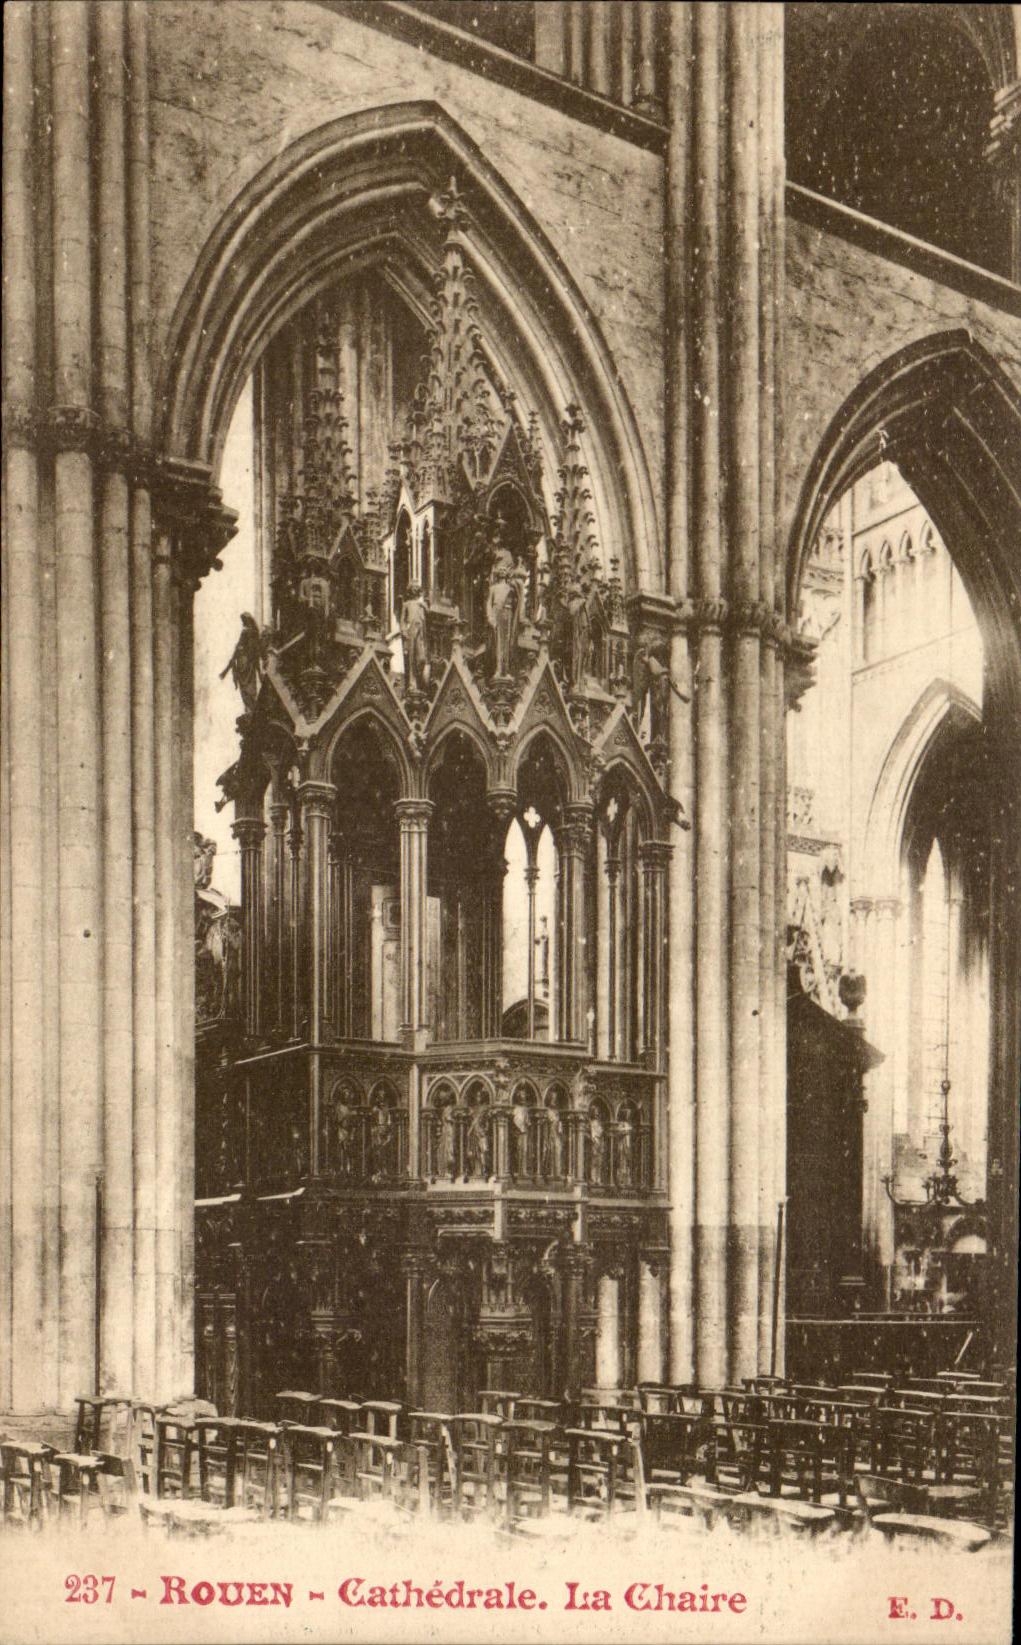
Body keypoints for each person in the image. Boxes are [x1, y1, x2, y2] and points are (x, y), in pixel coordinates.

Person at [220, 612, 266, 713]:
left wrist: (226, 670)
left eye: (244, 621)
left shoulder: (248, 634)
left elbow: (248, 652)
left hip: (247, 667)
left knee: (248, 694)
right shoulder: (250, 634)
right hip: (244, 667)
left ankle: (252, 712)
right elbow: (238, 651)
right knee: (247, 694)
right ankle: (251, 712)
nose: (243, 624)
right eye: (243, 621)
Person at [399, 582, 430, 693]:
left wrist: (423, 605)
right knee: (411, 657)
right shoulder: (406, 604)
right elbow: (402, 619)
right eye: (413, 588)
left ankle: (419, 682)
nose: (414, 590)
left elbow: (428, 614)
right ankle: (413, 684)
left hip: (420, 632)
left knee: (421, 658)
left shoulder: (421, 604)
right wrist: (403, 631)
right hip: (411, 631)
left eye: (416, 588)